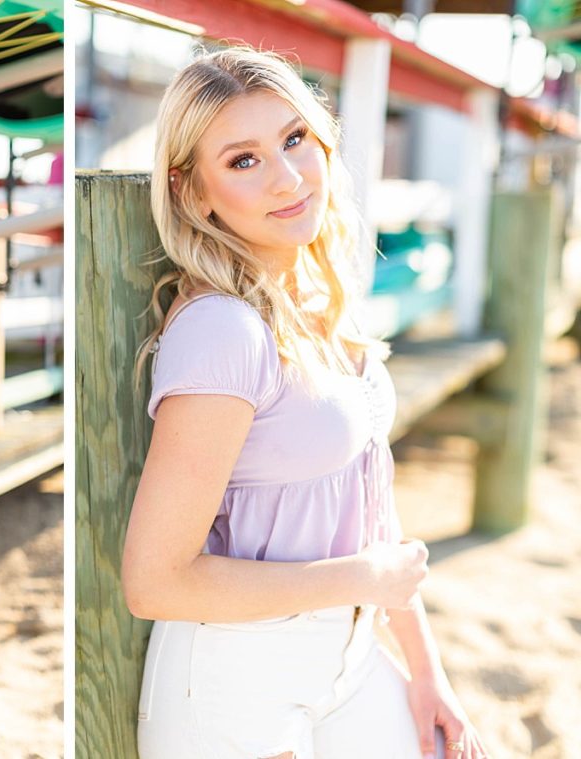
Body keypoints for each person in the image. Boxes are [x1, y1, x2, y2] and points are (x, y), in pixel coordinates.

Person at [121, 46, 488, 759]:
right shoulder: (223, 330)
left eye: (295, 139)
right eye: (243, 160)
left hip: (347, 658)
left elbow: (367, 500)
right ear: (194, 191)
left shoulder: (319, 300)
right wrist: (362, 581)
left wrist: (425, 670)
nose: (289, 177)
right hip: (235, 681)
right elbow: (155, 580)